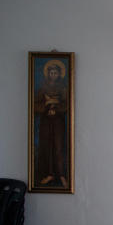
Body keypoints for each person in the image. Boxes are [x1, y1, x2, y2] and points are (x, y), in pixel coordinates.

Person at [33, 59, 69, 187]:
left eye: (56, 73)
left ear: (59, 74)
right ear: (48, 74)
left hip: (58, 120)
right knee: (47, 146)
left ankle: (61, 175)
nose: (53, 75)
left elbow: (67, 104)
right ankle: (49, 174)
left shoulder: (63, 88)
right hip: (46, 121)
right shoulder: (43, 88)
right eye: (51, 73)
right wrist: (46, 106)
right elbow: (35, 105)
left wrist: (57, 108)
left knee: (58, 147)